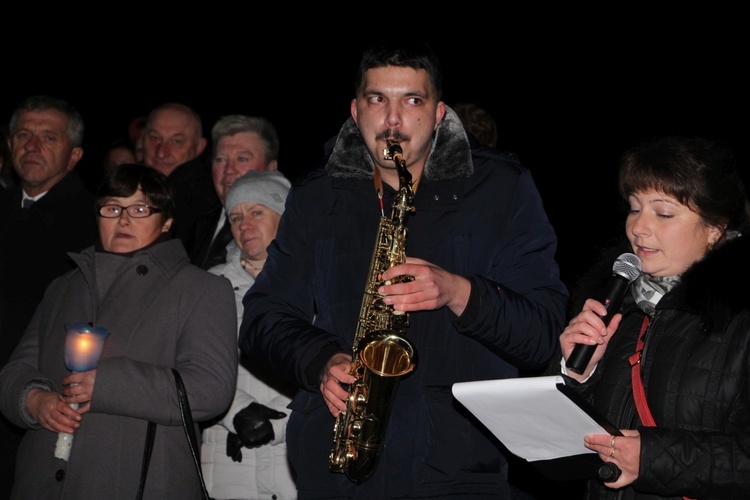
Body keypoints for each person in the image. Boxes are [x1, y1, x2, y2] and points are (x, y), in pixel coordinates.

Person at [238, 40, 568, 498]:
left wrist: (459, 292)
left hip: (456, 469)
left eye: (412, 100)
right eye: (378, 100)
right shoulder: (317, 196)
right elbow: (261, 319)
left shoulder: (503, 188)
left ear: (438, 113)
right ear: (356, 111)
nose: (393, 120)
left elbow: (543, 334)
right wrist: (320, 361)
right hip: (336, 466)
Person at [0, 163, 238, 499]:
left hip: (138, 481)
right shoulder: (64, 287)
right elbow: (14, 371)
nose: (123, 220)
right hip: (40, 482)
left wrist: (109, 384)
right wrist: (32, 399)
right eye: (112, 208)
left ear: (166, 220)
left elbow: (211, 388)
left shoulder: (201, 289)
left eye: (140, 209)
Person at [554, 135, 750, 499]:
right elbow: (570, 448)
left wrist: (653, 458)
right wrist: (578, 374)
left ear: (714, 228)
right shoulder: (616, 304)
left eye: (663, 213)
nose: (638, 228)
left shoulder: (739, 318)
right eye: (633, 207)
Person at [0, 95, 98, 497]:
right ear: (9, 146)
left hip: (42, 402)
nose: (32, 145)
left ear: (74, 156)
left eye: (48, 137)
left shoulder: (96, 222)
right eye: (24, 134)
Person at [201, 170, 297, 500]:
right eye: (235, 216)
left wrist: (277, 425)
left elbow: (331, 368)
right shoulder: (209, 288)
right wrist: (236, 412)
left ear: (285, 217)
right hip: (229, 466)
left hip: (294, 467)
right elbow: (193, 366)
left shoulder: (316, 285)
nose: (244, 225)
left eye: (257, 212)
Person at [188, 114, 280, 269]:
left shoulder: (287, 229)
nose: (229, 170)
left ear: (270, 169)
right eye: (220, 160)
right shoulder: (194, 217)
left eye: (242, 159)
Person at [142, 102, 219, 255]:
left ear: (199, 147)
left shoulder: (207, 206)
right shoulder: (121, 187)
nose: (161, 152)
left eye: (176, 141)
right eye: (155, 138)